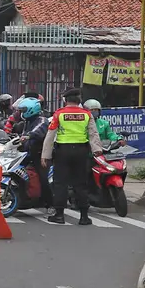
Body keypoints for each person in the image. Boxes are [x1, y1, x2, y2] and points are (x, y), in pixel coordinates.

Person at [43, 88, 102, 225]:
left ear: (65, 100)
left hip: (63, 152)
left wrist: (45, 155)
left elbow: (50, 135)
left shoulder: (59, 114)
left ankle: (59, 216)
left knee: (60, 184)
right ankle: (84, 216)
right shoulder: (87, 114)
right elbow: (93, 133)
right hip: (81, 152)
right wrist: (97, 149)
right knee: (81, 184)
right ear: (79, 100)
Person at [19, 97, 52, 209]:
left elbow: (37, 131)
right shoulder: (27, 122)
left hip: (41, 154)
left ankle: (49, 203)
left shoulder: (42, 120)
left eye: (24, 110)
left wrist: (29, 135)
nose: (22, 113)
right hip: (28, 153)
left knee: (43, 178)